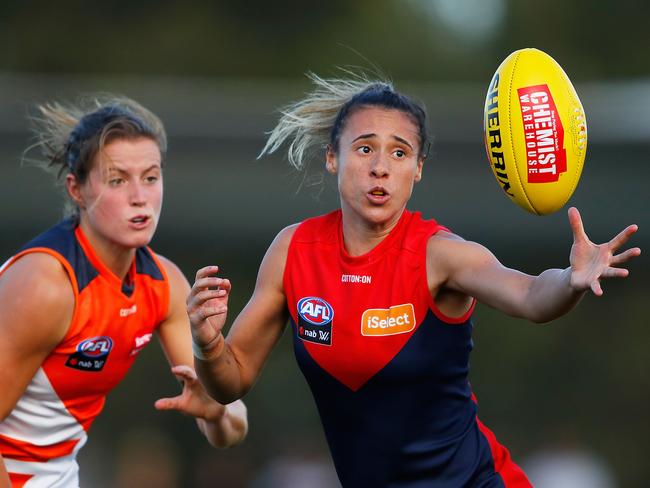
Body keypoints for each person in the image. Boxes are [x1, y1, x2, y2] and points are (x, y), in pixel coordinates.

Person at [186, 73, 640, 487]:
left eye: (399, 152)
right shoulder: (293, 251)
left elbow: (529, 295)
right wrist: (207, 344)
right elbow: (233, 378)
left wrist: (570, 280)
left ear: (417, 168)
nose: (380, 167)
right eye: (365, 148)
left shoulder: (439, 254)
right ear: (332, 156)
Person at [0, 96, 248, 487]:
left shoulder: (163, 283)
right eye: (117, 179)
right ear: (76, 190)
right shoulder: (47, 284)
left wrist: (215, 411)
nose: (140, 196)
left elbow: (234, 428)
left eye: (150, 177)